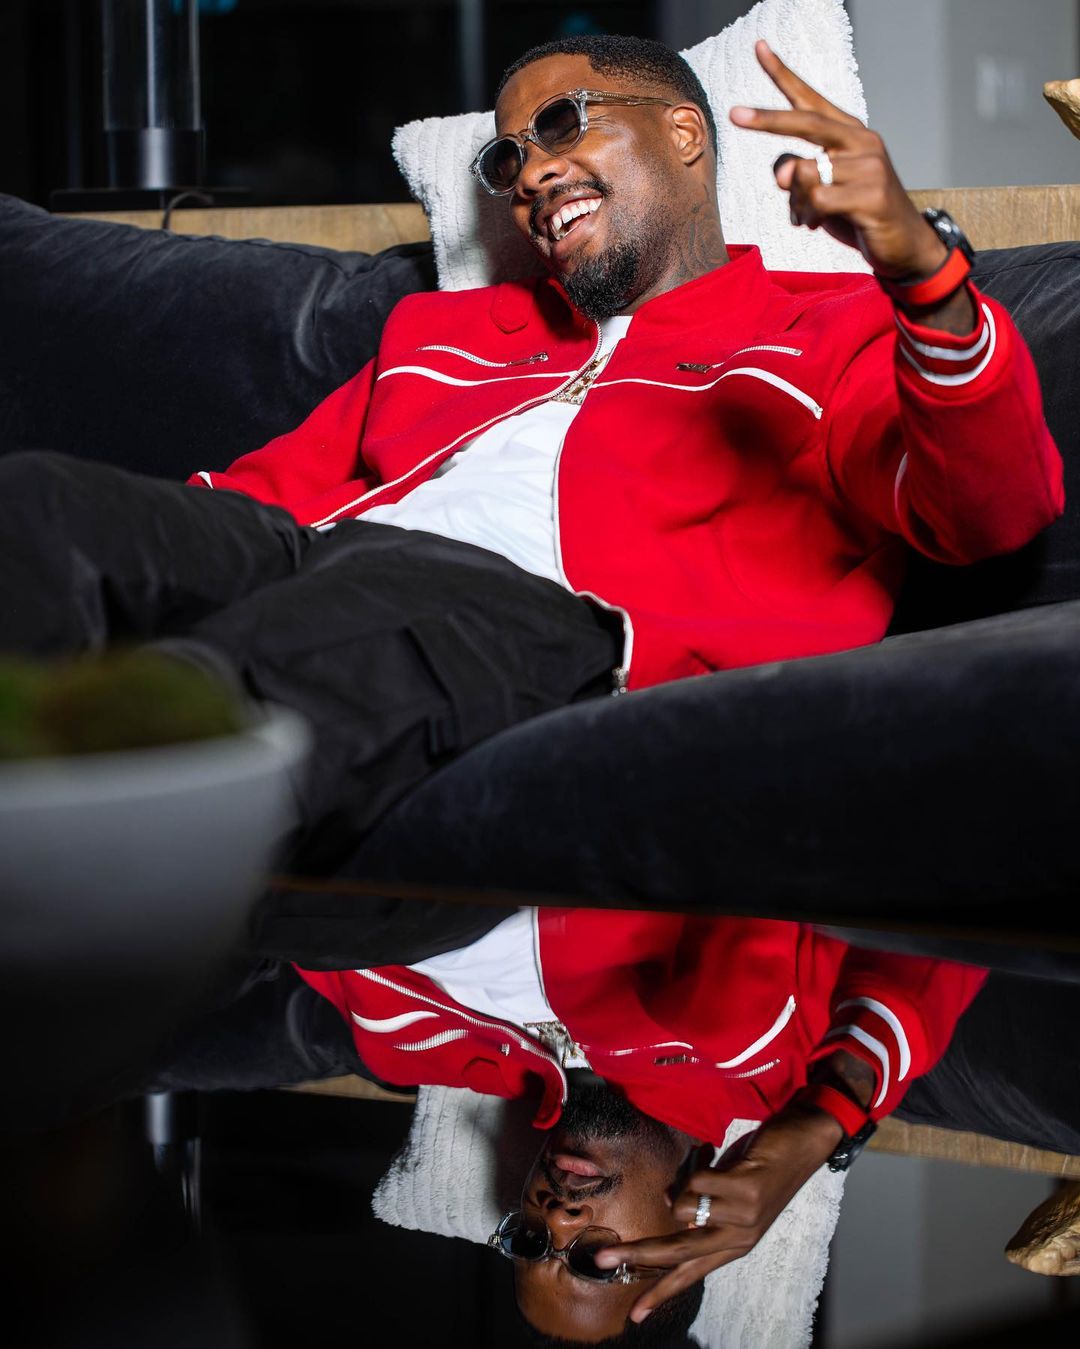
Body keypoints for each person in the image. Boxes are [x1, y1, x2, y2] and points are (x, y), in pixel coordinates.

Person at [0, 30, 1065, 1341]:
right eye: (507, 155)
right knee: (40, 510)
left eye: (563, 124)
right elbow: (245, 507)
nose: (528, 171)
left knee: (348, 637)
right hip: (331, 580)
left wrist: (922, 268)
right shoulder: (443, 336)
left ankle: (74, 780)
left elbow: (994, 510)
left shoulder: (822, 334)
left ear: (685, 135)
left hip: (554, 649)